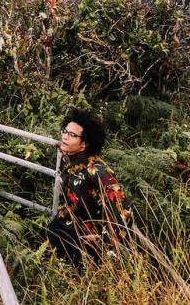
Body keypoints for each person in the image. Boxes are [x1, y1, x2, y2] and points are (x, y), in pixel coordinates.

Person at [46, 108, 133, 269]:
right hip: (63, 229)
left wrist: (102, 239)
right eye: (65, 131)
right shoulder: (69, 159)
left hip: (84, 244)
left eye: (72, 135)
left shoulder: (98, 173)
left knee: (74, 279)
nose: (65, 137)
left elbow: (125, 213)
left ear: (84, 144)